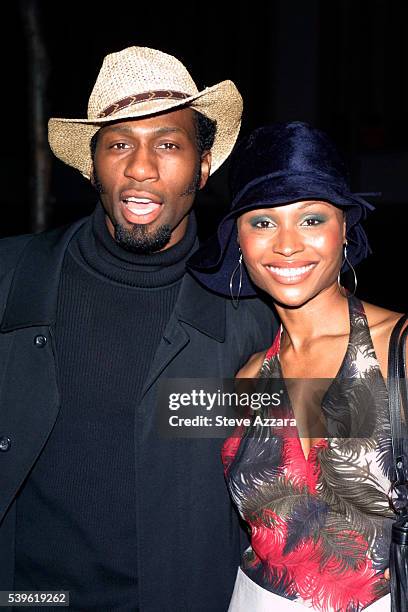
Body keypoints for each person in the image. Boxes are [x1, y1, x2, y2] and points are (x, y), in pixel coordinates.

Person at [0, 47, 277, 611]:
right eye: (119, 143)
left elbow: (335, 477)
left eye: (168, 144)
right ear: (91, 164)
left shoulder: (252, 312)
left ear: (203, 166)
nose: (141, 167)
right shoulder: (12, 278)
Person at [188, 121, 405, 611]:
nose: (287, 244)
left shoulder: (400, 349)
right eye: (262, 222)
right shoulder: (245, 379)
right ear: (237, 241)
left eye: (311, 219)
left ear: (345, 229)